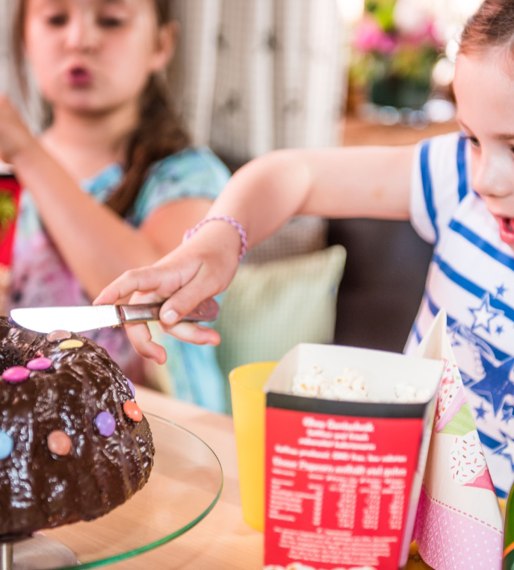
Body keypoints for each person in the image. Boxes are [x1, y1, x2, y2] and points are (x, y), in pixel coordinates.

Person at [96, 0, 514, 497]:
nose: (487, 178)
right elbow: (293, 175)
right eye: (471, 138)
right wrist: (218, 239)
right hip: (401, 517)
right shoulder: (455, 178)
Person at [0, 0, 231, 409]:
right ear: (25, 41)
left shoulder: (191, 176)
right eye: (56, 19)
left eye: (111, 20)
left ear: (161, 44)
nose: (79, 40)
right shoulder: (9, 183)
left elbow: (151, 292)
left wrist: (25, 151)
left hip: (172, 431)